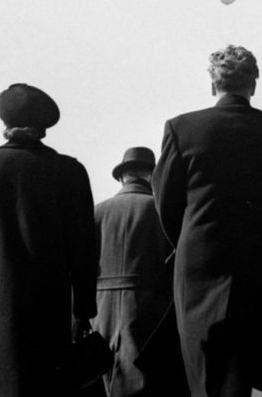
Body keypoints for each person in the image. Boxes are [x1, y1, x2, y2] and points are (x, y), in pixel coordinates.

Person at [154, 46, 262, 397]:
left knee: (203, 359)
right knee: (249, 358)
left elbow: (166, 202)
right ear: (253, 84)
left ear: (212, 84)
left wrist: (188, 237)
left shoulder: (181, 129)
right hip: (259, 256)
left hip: (200, 259)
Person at [0, 83, 98, 395]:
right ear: (43, 127)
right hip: (51, 315)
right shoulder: (71, 171)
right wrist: (84, 310)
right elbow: (84, 250)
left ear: (5, 124)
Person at [94, 146, 184, 396]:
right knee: (144, 381)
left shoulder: (97, 211)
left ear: (123, 176)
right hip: (149, 306)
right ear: (152, 176)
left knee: (105, 377)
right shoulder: (162, 211)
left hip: (101, 308)